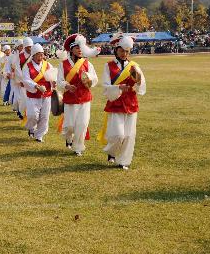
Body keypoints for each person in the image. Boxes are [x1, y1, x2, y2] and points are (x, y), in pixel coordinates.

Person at [98, 34, 146, 170]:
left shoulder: (134, 66)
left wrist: (138, 82)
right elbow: (106, 86)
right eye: (121, 51)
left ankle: (124, 161)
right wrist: (119, 87)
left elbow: (141, 86)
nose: (124, 54)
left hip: (131, 103)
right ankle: (111, 152)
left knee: (129, 135)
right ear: (116, 50)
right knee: (118, 135)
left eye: (127, 51)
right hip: (116, 103)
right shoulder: (109, 66)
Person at [56, 34, 99, 156]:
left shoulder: (87, 63)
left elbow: (95, 79)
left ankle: (78, 147)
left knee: (83, 123)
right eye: (77, 48)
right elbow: (59, 81)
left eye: (81, 48)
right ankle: (69, 138)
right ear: (71, 49)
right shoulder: (63, 64)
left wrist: (90, 80)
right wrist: (67, 86)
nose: (80, 50)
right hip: (70, 98)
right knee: (70, 125)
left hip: (85, 98)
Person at [21, 43, 55, 142]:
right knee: (32, 116)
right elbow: (25, 80)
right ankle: (31, 128)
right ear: (34, 55)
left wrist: (53, 82)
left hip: (46, 95)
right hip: (33, 96)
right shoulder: (27, 66)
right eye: (39, 54)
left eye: (42, 54)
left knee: (44, 116)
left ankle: (39, 135)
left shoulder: (47, 64)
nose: (41, 57)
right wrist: (36, 86)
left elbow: (53, 76)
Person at [10, 38, 34, 119]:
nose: (30, 48)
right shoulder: (20, 56)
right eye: (28, 47)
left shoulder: (34, 54)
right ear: (25, 47)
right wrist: (22, 80)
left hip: (34, 80)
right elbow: (17, 69)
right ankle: (22, 113)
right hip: (23, 81)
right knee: (24, 98)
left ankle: (30, 114)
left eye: (31, 46)